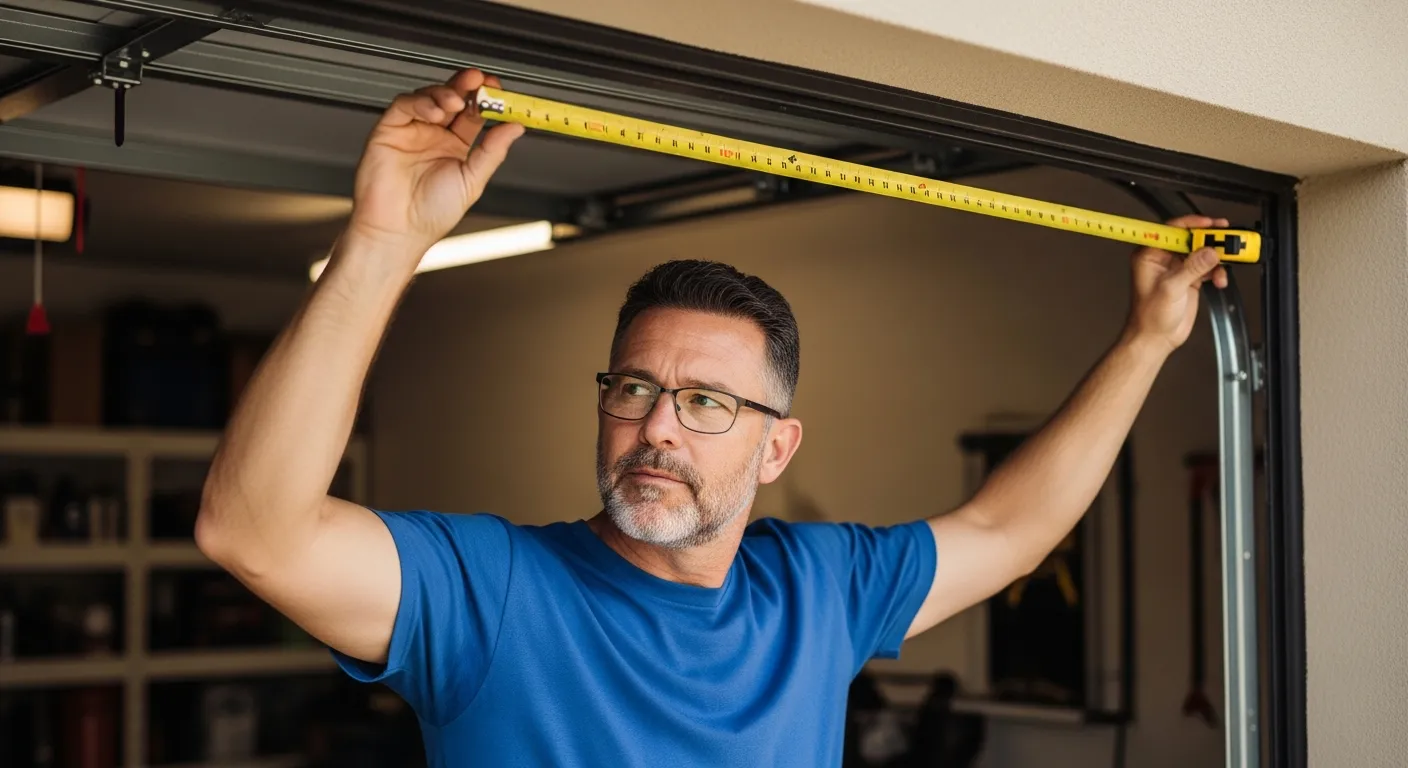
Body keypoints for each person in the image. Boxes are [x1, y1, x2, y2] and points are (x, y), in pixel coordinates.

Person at [195, 67, 1230, 766]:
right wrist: (382, 243)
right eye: (634, 388)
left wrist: (1146, 341)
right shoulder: (493, 592)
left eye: (705, 403)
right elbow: (254, 530)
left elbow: (1009, 530)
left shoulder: (818, 592)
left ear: (778, 446)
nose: (657, 427)